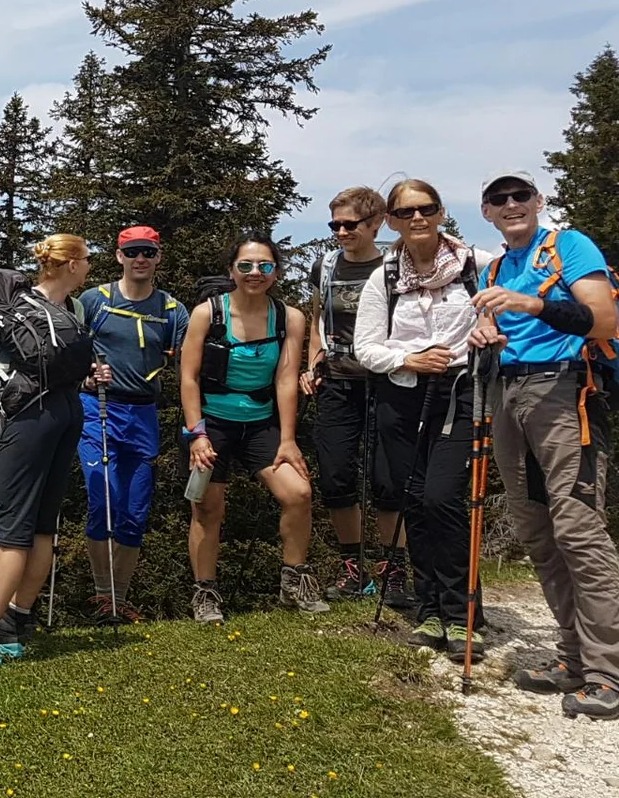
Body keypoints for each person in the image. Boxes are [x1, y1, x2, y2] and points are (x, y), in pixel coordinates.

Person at [470, 170, 619, 719]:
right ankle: (573, 660)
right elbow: (496, 327)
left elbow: (604, 317)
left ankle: (608, 672)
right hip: (507, 393)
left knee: (579, 528)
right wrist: (484, 331)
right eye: (498, 199)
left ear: (538, 201)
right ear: (486, 211)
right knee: (536, 527)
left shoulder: (569, 245)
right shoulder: (494, 267)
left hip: (563, 391)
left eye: (520, 196)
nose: (511, 205)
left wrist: (532, 305)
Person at [0, 235, 99, 665]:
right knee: (42, 525)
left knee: (12, 525)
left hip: (30, 417)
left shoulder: (17, 308)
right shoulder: (69, 311)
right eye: (86, 259)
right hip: (69, 411)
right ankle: (16, 623)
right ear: (70, 264)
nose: (89, 266)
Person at [352, 181, 485, 656]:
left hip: (460, 392)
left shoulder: (478, 264)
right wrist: (410, 359)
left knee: (442, 498)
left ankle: (463, 612)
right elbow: (364, 347)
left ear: (441, 211)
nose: (416, 219)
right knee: (412, 499)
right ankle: (430, 610)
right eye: (405, 212)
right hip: (402, 395)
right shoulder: (384, 275)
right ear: (390, 220)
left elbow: (506, 317)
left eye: (425, 209)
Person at [179, 235, 325, 623]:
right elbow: (189, 378)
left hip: (262, 422)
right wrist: (197, 433)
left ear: (276, 272)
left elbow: (286, 379)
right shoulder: (207, 314)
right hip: (212, 423)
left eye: (264, 266)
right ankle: (205, 594)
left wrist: (289, 440)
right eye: (245, 266)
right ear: (232, 271)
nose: (255, 273)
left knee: (298, 494)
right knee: (207, 507)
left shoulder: (289, 317)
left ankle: (293, 579)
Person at [75, 226, 188, 624]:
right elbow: (68, 353)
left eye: (149, 252)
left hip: (144, 413)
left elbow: (189, 363)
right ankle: (102, 595)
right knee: (102, 498)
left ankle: (118, 600)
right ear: (119, 256)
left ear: (158, 258)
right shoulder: (94, 301)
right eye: (133, 252)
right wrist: (87, 375)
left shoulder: (173, 310)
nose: (141, 259)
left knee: (135, 510)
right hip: (96, 408)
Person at [303, 186, 399, 604]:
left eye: (350, 224)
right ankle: (353, 569)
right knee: (336, 473)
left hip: (388, 380)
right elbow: (317, 317)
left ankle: (393, 569)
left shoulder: (395, 265)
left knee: (388, 479)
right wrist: (313, 360)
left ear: (375, 223)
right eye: (335, 224)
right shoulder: (325, 266)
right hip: (338, 381)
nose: (341, 232)